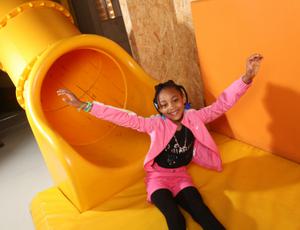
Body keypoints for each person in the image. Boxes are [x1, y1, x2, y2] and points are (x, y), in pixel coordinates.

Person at [57, 53, 263, 230]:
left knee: (202, 212)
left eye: (175, 100)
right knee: (176, 220)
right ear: (159, 109)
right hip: (158, 180)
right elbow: (123, 117)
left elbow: (222, 104)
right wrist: (83, 105)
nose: (171, 107)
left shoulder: (195, 118)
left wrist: (246, 78)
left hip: (182, 177)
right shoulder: (155, 125)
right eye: (164, 105)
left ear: (183, 98)